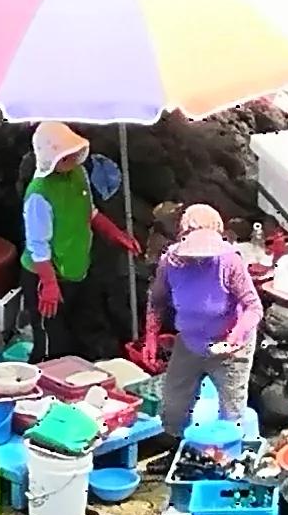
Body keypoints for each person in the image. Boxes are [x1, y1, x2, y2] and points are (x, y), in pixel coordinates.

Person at [148, 205, 262, 449]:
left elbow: (253, 307)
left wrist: (234, 337)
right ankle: (174, 449)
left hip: (230, 348)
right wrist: (150, 338)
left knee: (231, 411)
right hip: (189, 341)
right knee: (174, 404)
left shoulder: (229, 261)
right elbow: (156, 302)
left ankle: (230, 458)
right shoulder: (170, 262)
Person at [24, 121, 135, 345]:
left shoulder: (79, 173)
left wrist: (116, 234)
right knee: (53, 341)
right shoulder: (39, 194)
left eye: (73, 153)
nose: (73, 159)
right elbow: (38, 246)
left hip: (77, 268)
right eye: (65, 157)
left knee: (82, 332)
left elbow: (90, 212)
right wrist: (49, 284)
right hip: (46, 274)